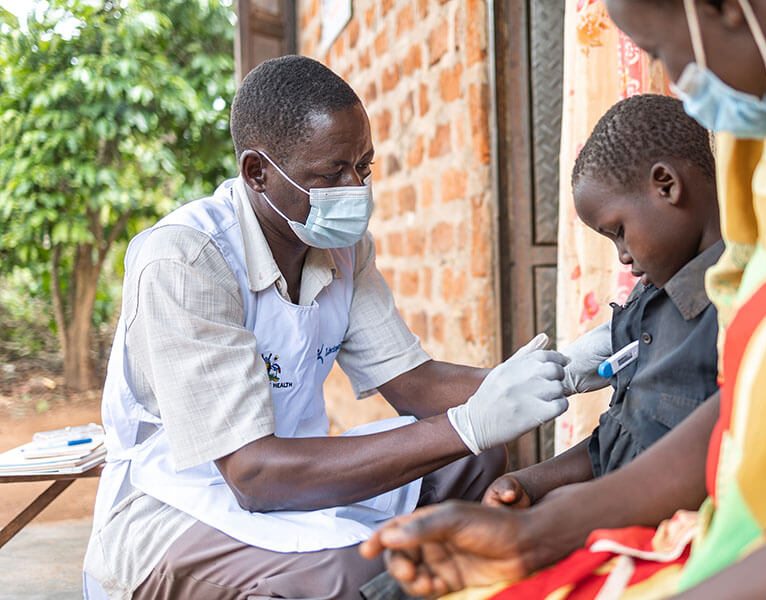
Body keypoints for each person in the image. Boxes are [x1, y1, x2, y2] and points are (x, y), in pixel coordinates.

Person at [360, 1, 766, 598]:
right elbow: (744, 409)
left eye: (664, 50)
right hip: (733, 539)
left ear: (721, 7)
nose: (679, 81)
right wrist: (541, 531)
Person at [83, 55, 609, 600]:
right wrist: (468, 424)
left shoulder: (341, 248)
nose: (354, 189)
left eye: (364, 167)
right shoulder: (187, 262)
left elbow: (415, 384)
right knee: (348, 572)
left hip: (291, 470)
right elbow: (253, 473)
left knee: (475, 461)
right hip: (176, 503)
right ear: (256, 173)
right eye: (331, 173)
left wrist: (561, 372)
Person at [481, 94, 722, 511]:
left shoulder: (731, 308)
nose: (623, 258)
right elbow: (620, 435)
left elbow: (690, 467)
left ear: (666, 185)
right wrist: (529, 482)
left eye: (619, 231)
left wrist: (559, 513)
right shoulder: (646, 306)